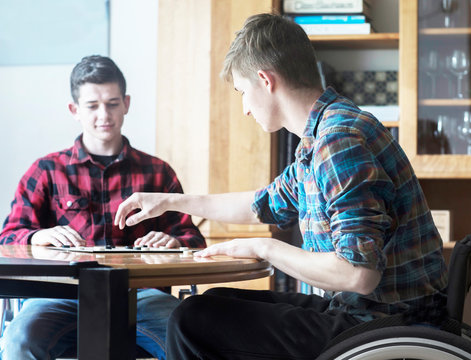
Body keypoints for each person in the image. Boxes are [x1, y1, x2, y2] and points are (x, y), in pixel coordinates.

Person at [115, 13, 448, 360]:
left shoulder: (338, 141)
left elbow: (358, 274)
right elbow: (261, 205)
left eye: (243, 92)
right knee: (211, 303)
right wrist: (170, 201)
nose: (245, 108)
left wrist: (265, 248)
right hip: (368, 314)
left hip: (386, 324)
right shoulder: (319, 139)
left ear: (265, 80)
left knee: (190, 319)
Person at [0, 55, 205, 360]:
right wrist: (35, 237)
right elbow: (7, 239)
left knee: (194, 344)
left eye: (112, 103)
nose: (103, 115)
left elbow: (194, 241)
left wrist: (175, 241)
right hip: (59, 296)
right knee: (19, 341)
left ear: (126, 103)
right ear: (75, 110)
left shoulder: (157, 172)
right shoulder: (45, 170)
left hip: (142, 297)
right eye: (92, 106)